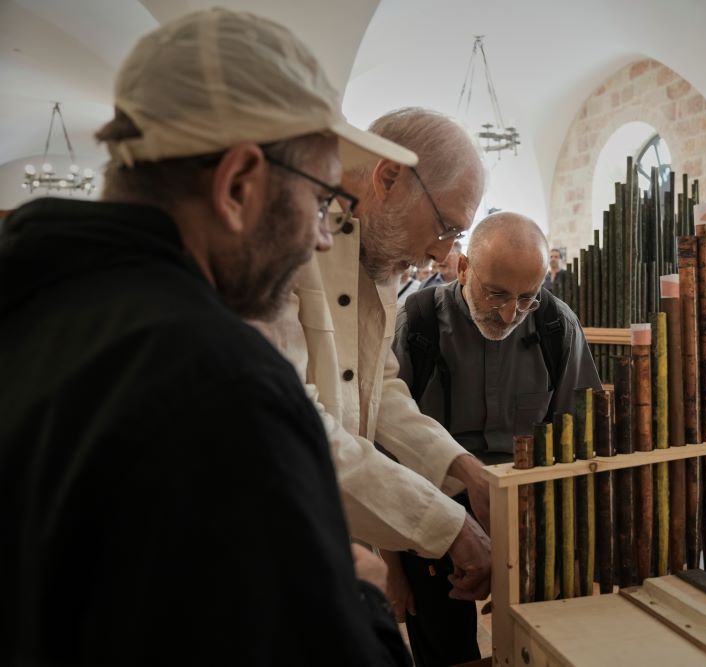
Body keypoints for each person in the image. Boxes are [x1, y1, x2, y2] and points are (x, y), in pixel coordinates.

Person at [0, 9, 414, 665]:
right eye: (322, 200)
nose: (322, 236)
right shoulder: (226, 386)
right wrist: (360, 596)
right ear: (238, 185)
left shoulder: (28, 301)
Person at [254, 107, 493, 598]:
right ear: (388, 178)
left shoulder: (381, 250)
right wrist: (447, 525)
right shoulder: (286, 233)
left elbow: (379, 387)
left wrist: (461, 466)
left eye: (456, 236)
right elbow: (296, 420)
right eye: (445, 226)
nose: (444, 255)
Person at [392, 212, 603, 666]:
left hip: (529, 508)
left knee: (545, 641)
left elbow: (580, 442)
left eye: (527, 297)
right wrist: (391, 568)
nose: (510, 315)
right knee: (445, 648)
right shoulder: (416, 325)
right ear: (464, 268)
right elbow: (379, 448)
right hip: (430, 504)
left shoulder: (556, 327)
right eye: (497, 294)